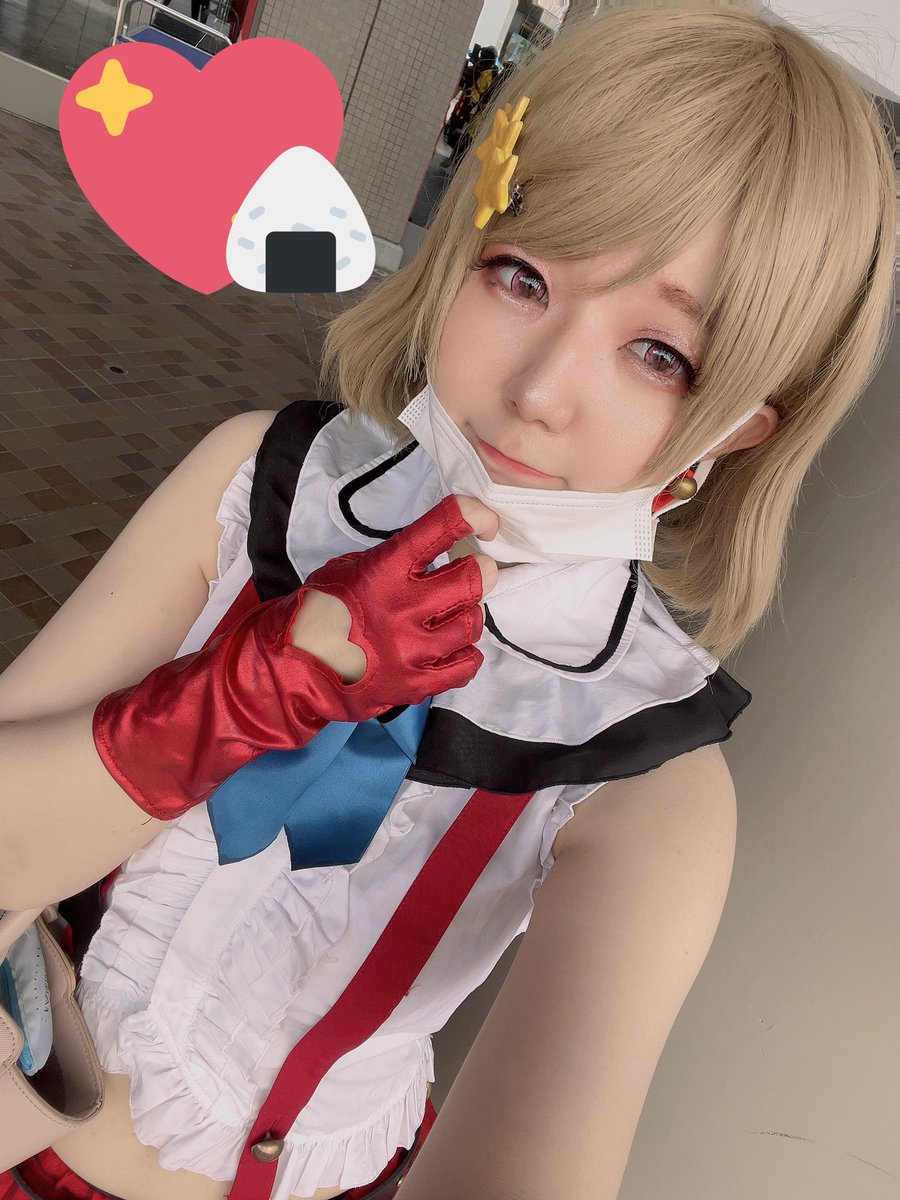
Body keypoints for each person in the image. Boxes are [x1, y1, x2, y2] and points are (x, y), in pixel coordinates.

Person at [0, 4, 894, 1200]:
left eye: (659, 353)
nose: (539, 390)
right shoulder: (257, 480)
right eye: (523, 276)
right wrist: (256, 688)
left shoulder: (648, 772)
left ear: (738, 428)